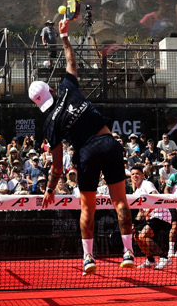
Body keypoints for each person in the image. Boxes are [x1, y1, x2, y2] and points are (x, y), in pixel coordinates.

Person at [32, 19, 135, 275]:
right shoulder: (67, 89)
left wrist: (50, 190)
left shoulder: (49, 124)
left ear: (39, 103)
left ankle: (88, 257)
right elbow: (72, 62)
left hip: (86, 153)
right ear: (52, 89)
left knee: (88, 207)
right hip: (109, 143)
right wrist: (65, 37)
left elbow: (57, 165)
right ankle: (128, 251)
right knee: (120, 201)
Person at [130, 165, 173, 270]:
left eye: (137, 174)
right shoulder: (136, 192)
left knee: (143, 236)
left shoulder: (147, 184)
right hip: (152, 218)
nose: (135, 176)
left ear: (142, 175)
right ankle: (150, 260)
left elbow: (154, 197)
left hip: (162, 216)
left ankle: (164, 258)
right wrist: (134, 225)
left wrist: (149, 210)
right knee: (137, 236)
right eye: (132, 174)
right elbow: (141, 213)